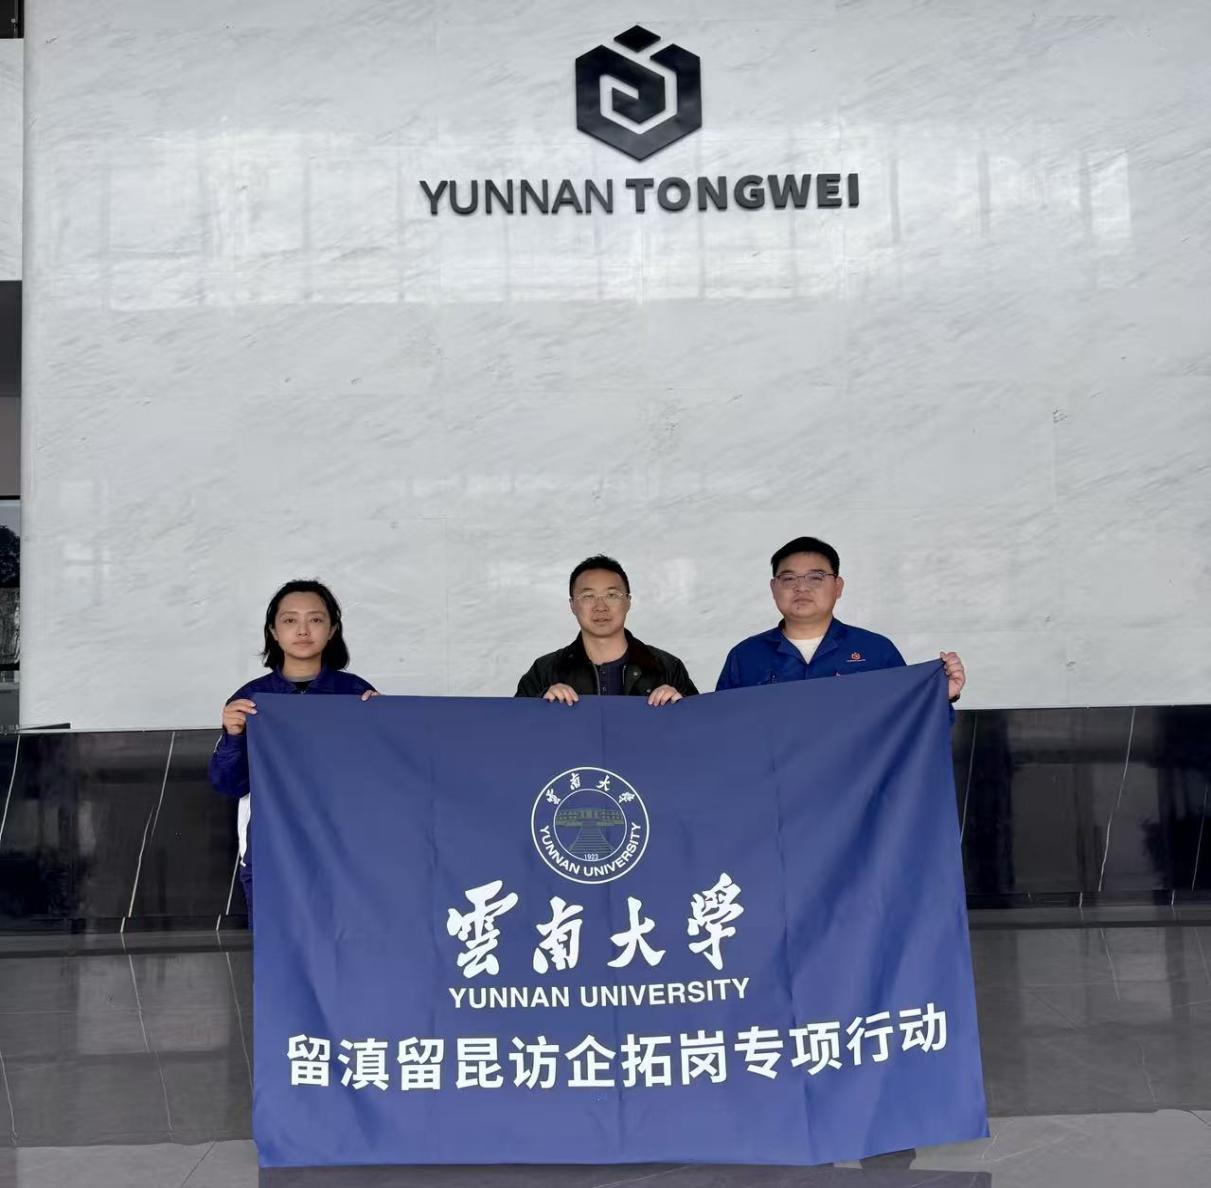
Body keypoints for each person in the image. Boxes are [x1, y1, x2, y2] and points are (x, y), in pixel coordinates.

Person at [209, 579, 377, 923]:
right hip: (273, 849)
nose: (303, 630)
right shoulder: (250, 699)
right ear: (273, 631)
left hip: (345, 847)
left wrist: (386, 723)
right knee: (279, 941)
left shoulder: (356, 694)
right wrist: (234, 736)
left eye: (315, 619)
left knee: (347, 938)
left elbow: (380, 777)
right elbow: (229, 784)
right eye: (290, 620)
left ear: (332, 630)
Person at [715, 536, 966, 700]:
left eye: (815, 577)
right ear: (773, 588)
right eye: (789, 579)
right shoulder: (745, 656)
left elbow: (906, 719)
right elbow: (722, 727)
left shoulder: (877, 651)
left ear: (838, 587)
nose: (801, 587)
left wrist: (941, 695)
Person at [516, 555, 697, 704]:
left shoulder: (667, 668)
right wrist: (541, 705)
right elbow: (514, 728)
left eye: (612, 595)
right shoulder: (545, 671)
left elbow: (700, 728)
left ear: (628, 602)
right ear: (572, 605)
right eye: (588, 596)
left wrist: (679, 707)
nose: (600, 607)